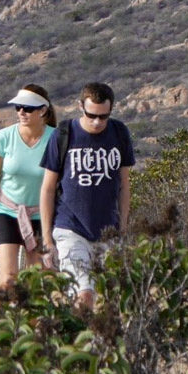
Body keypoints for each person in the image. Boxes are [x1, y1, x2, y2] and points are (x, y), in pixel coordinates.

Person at [39, 82, 134, 312]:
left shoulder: (119, 133)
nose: (97, 122)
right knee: (84, 295)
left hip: (108, 230)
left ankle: (104, 345)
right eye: (91, 115)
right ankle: (80, 345)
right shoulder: (64, 134)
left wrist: (122, 229)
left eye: (103, 116)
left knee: (112, 298)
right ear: (80, 106)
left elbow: (124, 186)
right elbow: (48, 188)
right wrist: (47, 240)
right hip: (71, 228)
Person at [0, 84, 57, 289]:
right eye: (18, 107)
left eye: (27, 108)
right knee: (8, 278)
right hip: (7, 212)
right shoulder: (3, 137)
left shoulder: (56, 138)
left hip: (40, 216)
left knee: (38, 279)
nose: (21, 112)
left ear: (42, 111)